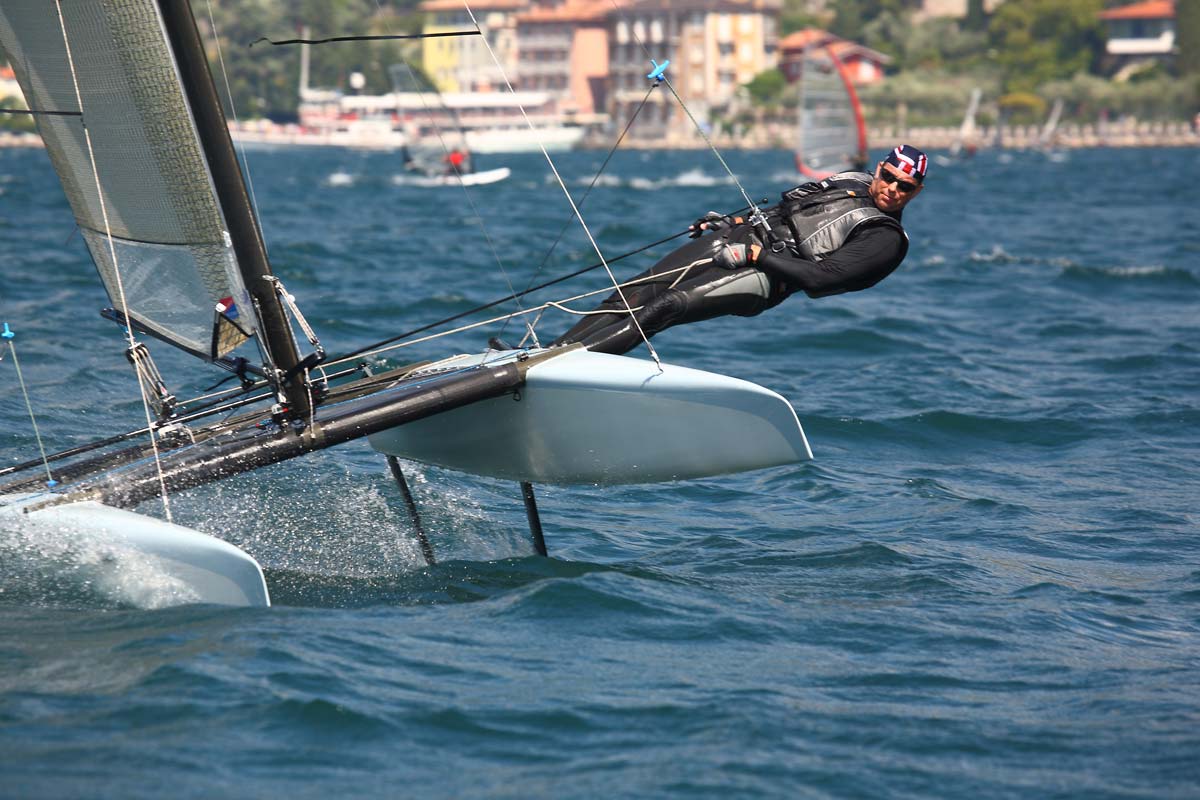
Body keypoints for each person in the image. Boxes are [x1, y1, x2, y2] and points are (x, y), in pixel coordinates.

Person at [550, 144, 928, 355]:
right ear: (880, 169)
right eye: (890, 178)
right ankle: (549, 353)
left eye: (905, 187)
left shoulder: (884, 238)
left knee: (666, 306)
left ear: (916, 191)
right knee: (637, 290)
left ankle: (570, 365)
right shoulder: (851, 181)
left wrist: (757, 257)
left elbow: (819, 279)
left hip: (766, 278)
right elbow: (785, 210)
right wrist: (731, 224)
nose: (893, 190)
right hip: (743, 240)